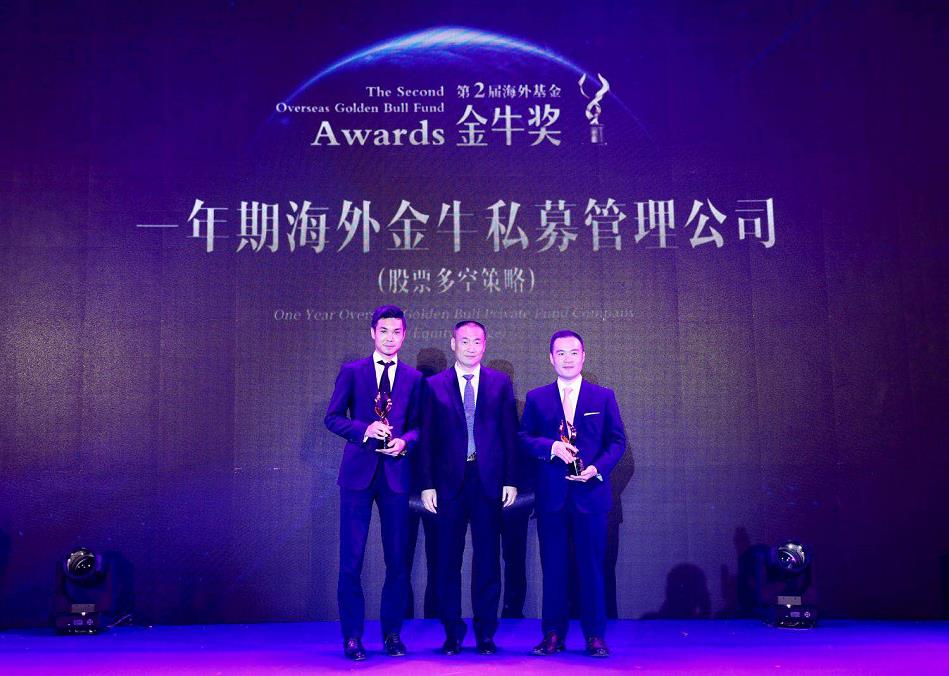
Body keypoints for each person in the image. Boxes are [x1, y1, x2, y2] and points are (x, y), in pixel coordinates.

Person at [518, 330, 627, 658]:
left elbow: (617, 441)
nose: (567, 359)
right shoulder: (537, 397)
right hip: (552, 498)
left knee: (592, 569)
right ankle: (552, 634)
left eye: (574, 352)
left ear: (583, 356)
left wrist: (597, 468)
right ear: (551, 358)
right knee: (553, 568)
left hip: (590, 496)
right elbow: (523, 438)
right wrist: (550, 447)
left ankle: (595, 636)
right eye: (561, 353)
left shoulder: (603, 397)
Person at [324, 305, 423, 661]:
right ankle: (352, 636)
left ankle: (392, 634)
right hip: (357, 476)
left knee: (397, 561)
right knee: (351, 559)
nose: (390, 338)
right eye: (384, 331)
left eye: (396, 332)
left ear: (404, 335)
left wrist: (405, 441)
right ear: (372, 332)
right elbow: (333, 417)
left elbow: (420, 426)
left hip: (396, 476)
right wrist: (363, 429)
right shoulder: (353, 372)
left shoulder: (414, 378)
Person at [420, 320, 518, 655]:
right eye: (465, 341)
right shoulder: (433, 386)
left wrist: (511, 479)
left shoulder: (500, 383)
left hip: (487, 480)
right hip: (448, 483)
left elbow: (509, 434)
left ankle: (485, 632)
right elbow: (426, 439)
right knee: (447, 560)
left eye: (477, 341)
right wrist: (427, 484)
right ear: (453, 343)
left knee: (487, 559)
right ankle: (452, 632)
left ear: (485, 345)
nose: (471, 347)